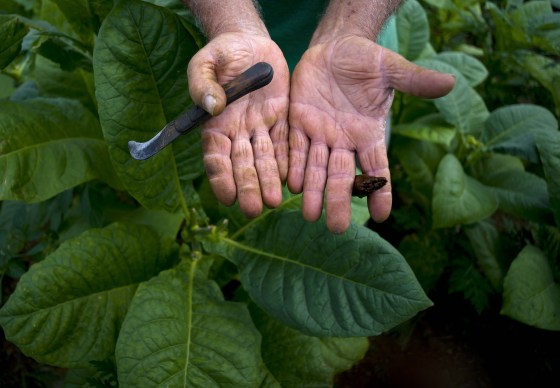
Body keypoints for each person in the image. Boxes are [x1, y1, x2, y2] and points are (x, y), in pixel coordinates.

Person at [182, 0, 455, 234]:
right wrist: (229, 22)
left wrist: (350, 28)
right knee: (224, 183)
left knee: (336, 203)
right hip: (226, 64)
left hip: (353, 87)